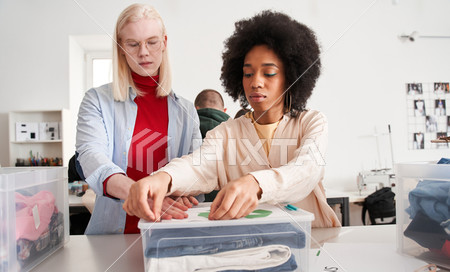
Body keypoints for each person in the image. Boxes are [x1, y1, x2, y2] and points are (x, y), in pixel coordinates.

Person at [123, 11, 341, 228]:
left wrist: (255, 183)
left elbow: (306, 171)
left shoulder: (312, 122)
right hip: (254, 249)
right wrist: (163, 179)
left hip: (313, 244)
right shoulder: (225, 133)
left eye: (268, 73)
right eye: (248, 74)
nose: (255, 82)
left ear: (291, 77)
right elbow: (198, 166)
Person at [76, 4, 202, 235]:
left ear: (164, 43)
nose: (143, 52)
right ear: (121, 48)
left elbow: (198, 169)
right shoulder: (97, 101)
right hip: (113, 236)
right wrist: (138, 193)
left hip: (170, 231)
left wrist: (184, 190)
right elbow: (91, 155)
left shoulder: (185, 110)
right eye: (133, 44)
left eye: (152, 42)